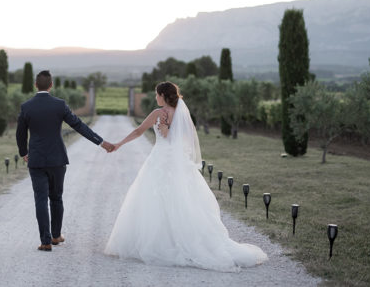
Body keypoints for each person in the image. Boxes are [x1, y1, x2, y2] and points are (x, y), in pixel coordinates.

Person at [104, 81, 268, 271]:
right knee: (183, 201)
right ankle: (184, 240)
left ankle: (161, 242)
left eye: (157, 94)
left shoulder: (159, 114)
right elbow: (187, 141)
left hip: (159, 161)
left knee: (153, 200)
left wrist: (118, 144)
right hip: (178, 163)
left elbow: (138, 131)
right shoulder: (182, 114)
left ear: (163, 95)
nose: (156, 97)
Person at [16, 70, 115, 251]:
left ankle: (45, 241)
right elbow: (78, 125)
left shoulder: (26, 107)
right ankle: (56, 236)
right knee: (56, 198)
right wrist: (101, 142)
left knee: (40, 199)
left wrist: (23, 152)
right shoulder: (60, 105)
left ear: (36, 85)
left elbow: (20, 133)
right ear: (51, 85)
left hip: (36, 159)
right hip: (57, 159)